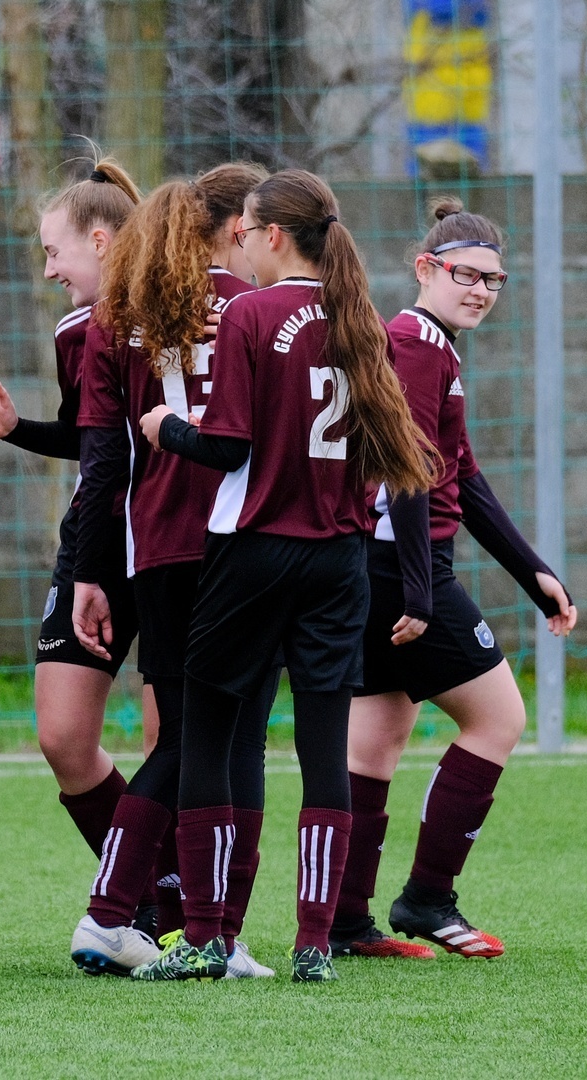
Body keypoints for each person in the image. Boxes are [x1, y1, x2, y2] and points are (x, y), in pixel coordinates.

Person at [131, 169, 438, 984]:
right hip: (340, 560)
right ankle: (313, 944)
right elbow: (388, 456)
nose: (242, 244)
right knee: (323, 744)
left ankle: (205, 936)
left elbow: (229, 445)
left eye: (246, 231)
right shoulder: (359, 317)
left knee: (208, 730)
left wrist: (167, 428)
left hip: (255, 549)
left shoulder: (252, 312)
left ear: (270, 235)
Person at [330, 198, 577, 960]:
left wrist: (533, 572)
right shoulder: (414, 343)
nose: (481, 291)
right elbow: (405, 472)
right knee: (499, 718)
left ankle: (347, 922)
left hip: (380, 565)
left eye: (493, 280)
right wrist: (418, 588)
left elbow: (460, 476)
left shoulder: (432, 345)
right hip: (401, 566)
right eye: (466, 275)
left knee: (375, 742)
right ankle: (428, 898)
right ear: (425, 269)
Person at [66, 164, 279, 980]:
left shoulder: (114, 317)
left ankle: (135, 918)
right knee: (234, 738)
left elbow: (101, 462)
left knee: (187, 736)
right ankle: (193, 927)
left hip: (153, 552)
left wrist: (91, 574)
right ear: (237, 229)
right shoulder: (258, 308)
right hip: (241, 543)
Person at [0, 158, 161, 903]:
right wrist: (17, 430)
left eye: (53, 251)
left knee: (172, 746)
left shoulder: (186, 313)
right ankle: (151, 896)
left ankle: (185, 913)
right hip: (98, 543)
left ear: (101, 242)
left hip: (173, 547)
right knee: (65, 738)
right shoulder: (81, 330)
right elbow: (96, 442)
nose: (47, 270)